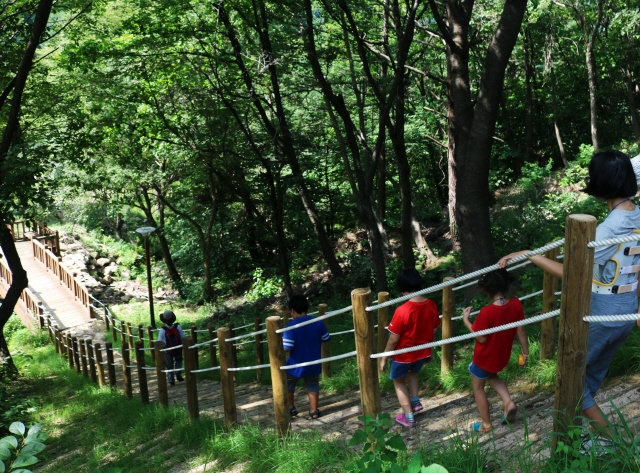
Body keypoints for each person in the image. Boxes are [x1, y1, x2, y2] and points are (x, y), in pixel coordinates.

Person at [499, 149, 640, 434]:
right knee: (587, 381)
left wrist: (530, 255)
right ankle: (582, 440)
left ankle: (614, 445)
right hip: (626, 311)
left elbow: (573, 275)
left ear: (603, 185)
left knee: (571, 381)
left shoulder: (608, 228)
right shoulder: (636, 215)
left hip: (603, 313)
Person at [462, 269, 529, 433]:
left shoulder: (486, 312)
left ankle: (486, 424)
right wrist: (525, 352)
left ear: (486, 290)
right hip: (501, 356)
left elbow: (481, 338)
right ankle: (508, 403)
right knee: (492, 375)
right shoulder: (516, 304)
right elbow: (520, 330)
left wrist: (466, 321)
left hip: (484, 358)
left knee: (478, 388)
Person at [378, 268, 440, 427]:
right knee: (412, 373)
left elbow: (393, 339)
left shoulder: (402, 311)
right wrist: (430, 352)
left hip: (403, 356)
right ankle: (415, 401)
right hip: (421, 353)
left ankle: (408, 416)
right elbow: (434, 331)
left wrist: (384, 358)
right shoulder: (431, 305)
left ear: (402, 289)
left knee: (399, 383)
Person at [283, 294, 330, 419]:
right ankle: (314, 411)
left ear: (292, 310)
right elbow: (325, 338)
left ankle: (290, 407)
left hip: (295, 363)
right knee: (313, 384)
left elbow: (287, 347)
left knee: (287, 383)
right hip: (313, 361)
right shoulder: (317, 322)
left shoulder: (291, 326)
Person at [158, 310, 185, 386]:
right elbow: (182, 337)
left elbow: (159, 341)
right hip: (178, 348)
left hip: (168, 350)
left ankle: (171, 380)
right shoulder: (178, 326)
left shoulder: (163, 330)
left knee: (169, 365)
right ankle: (178, 373)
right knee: (179, 361)